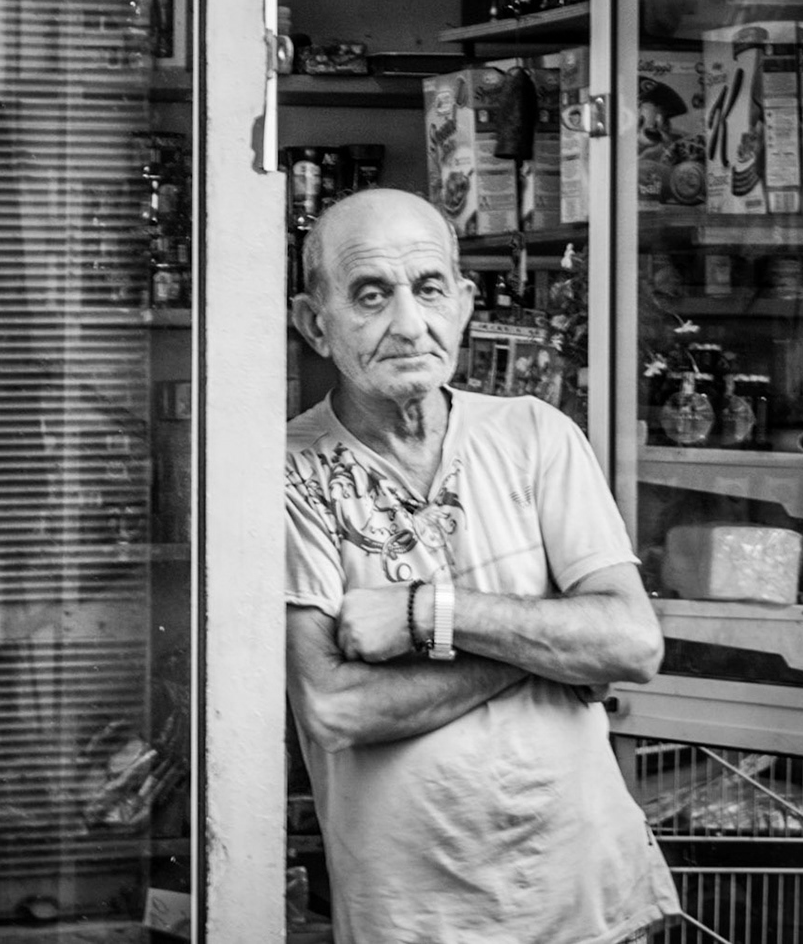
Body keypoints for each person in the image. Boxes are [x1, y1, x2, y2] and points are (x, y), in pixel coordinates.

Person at [284, 188, 680, 944]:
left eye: (429, 289)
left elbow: (631, 642)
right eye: (371, 296)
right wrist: (549, 647)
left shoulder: (536, 434)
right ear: (315, 323)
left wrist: (424, 614)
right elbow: (337, 708)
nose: (409, 323)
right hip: (418, 921)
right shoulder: (287, 472)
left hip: (593, 902)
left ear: (463, 303)